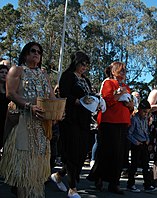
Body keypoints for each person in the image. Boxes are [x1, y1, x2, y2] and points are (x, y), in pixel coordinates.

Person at [0, 42, 56, 198]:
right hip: (23, 122)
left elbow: (52, 96)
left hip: (42, 127)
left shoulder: (44, 74)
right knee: (23, 168)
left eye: (39, 51)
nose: (36, 53)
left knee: (37, 169)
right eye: (33, 51)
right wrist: (28, 106)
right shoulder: (16, 70)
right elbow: (10, 94)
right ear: (25, 54)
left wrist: (58, 111)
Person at [87, 61, 134, 194]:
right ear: (113, 71)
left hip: (123, 122)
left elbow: (130, 106)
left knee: (120, 154)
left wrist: (130, 106)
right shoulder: (108, 83)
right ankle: (99, 178)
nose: (124, 72)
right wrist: (119, 94)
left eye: (125, 70)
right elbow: (106, 102)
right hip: (109, 122)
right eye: (121, 70)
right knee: (106, 152)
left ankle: (115, 183)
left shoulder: (126, 86)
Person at [52, 51, 93, 198]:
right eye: (83, 63)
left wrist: (96, 102)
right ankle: (72, 188)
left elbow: (89, 97)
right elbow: (63, 93)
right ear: (76, 62)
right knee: (72, 151)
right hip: (70, 119)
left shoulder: (86, 80)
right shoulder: (67, 76)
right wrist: (78, 101)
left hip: (84, 119)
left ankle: (59, 175)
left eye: (87, 65)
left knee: (82, 153)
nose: (85, 67)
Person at [127, 99, 157, 192]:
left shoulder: (145, 120)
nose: (145, 114)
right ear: (139, 109)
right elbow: (129, 133)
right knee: (134, 165)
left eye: (147, 112)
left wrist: (147, 139)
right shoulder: (134, 119)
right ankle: (130, 184)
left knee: (145, 165)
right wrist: (135, 142)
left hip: (144, 143)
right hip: (136, 144)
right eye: (144, 112)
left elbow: (146, 131)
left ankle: (147, 185)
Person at [0, 64, 10, 156]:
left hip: (5, 121)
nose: (4, 74)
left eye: (6, 73)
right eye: (2, 72)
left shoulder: (9, 91)